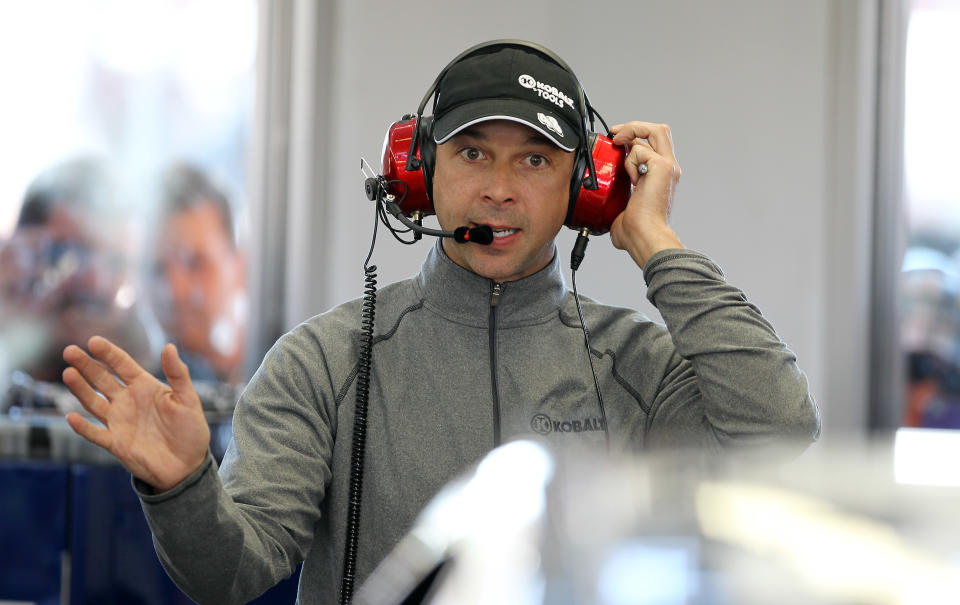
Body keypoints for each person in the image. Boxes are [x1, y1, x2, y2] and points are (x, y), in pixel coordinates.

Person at [61, 41, 820, 604]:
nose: (497, 189)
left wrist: (654, 241)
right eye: (472, 152)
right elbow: (228, 574)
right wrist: (184, 486)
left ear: (585, 190)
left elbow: (780, 430)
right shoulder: (324, 360)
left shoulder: (636, 363)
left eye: (534, 162)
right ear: (420, 174)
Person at [1, 156, 155, 411]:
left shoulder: (172, 388)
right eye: (74, 253)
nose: (96, 282)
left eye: (117, 262)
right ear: (17, 253)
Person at [148, 162, 248, 386]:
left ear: (241, 267)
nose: (174, 291)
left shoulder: (286, 374)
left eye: (195, 263)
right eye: (157, 269)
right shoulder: (145, 389)